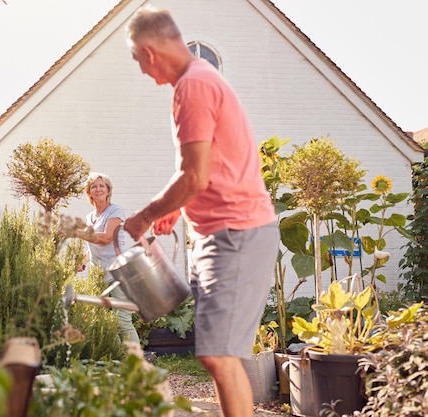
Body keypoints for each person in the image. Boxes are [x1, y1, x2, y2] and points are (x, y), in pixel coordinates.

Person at [123, 6, 279, 417]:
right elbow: (206, 171)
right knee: (216, 355)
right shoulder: (201, 81)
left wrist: (143, 216)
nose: (141, 70)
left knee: (220, 355)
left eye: (138, 60)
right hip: (224, 234)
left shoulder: (192, 85)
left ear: (150, 51)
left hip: (237, 235)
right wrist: (180, 207)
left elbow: (193, 175)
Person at [75, 172, 140, 345]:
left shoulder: (115, 210)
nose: (98, 189)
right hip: (100, 278)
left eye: (101, 185)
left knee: (122, 322)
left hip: (120, 275)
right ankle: (118, 363)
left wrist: (76, 232)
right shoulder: (90, 217)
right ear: (88, 192)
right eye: (93, 186)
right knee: (104, 323)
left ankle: (137, 365)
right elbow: (94, 246)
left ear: (108, 189)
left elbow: (106, 238)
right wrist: (83, 260)